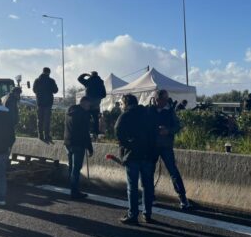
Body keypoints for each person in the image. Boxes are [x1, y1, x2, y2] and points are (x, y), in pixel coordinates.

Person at [115, 94, 156, 225]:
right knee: (147, 186)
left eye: (121, 104)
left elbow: (117, 131)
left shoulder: (125, 115)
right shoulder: (148, 113)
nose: (121, 106)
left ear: (126, 103)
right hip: (148, 154)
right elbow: (155, 132)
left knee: (132, 187)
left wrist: (127, 144)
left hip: (132, 155)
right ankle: (147, 214)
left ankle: (133, 215)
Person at [148, 90, 191, 209]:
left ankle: (182, 197)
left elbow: (177, 126)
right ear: (157, 99)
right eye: (163, 99)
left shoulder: (170, 111)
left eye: (166, 99)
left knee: (173, 171)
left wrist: (168, 131)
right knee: (149, 171)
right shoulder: (149, 110)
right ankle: (150, 196)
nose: (165, 102)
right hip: (152, 146)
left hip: (166, 146)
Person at [63, 96, 93, 199]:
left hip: (68, 142)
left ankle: (72, 188)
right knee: (76, 169)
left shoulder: (69, 110)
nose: (89, 107)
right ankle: (74, 192)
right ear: (84, 103)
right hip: (78, 144)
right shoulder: (83, 114)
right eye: (88, 105)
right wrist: (90, 147)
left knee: (71, 167)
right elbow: (85, 132)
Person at [77, 71, 107, 138]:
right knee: (96, 119)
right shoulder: (100, 82)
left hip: (88, 104)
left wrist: (85, 74)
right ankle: (96, 133)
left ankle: (86, 132)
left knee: (86, 117)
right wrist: (98, 97)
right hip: (96, 104)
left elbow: (79, 79)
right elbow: (104, 94)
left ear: (91, 75)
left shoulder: (89, 81)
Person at [33, 67, 58, 142]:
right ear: (49, 72)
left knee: (40, 119)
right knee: (47, 120)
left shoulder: (37, 80)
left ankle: (40, 135)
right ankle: (46, 135)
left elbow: (34, 90)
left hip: (40, 103)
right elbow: (55, 90)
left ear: (43, 71)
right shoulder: (51, 81)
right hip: (48, 103)